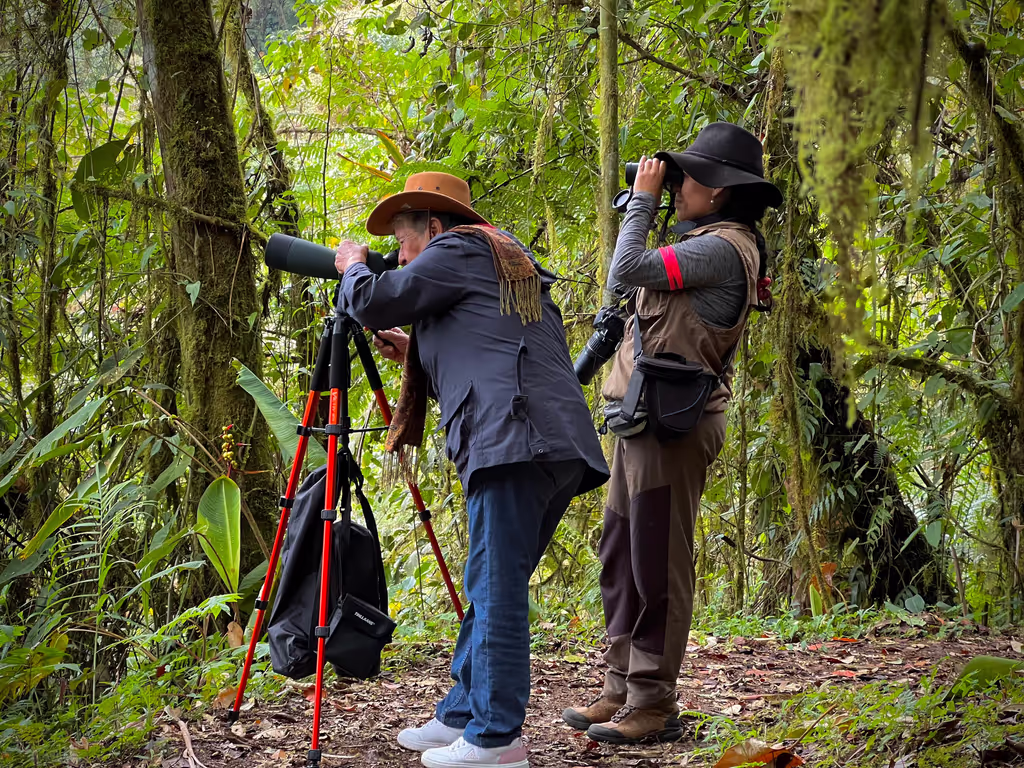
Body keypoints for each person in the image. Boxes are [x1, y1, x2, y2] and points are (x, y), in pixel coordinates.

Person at [334, 172, 609, 768]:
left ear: (433, 228)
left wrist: (353, 265)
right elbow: (490, 349)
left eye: (403, 249)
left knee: (495, 589)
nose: (401, 261)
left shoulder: (460, 246)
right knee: (489, 582)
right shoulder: (500, 260)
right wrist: (417, 351)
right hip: (545, 441)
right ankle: (462, 713)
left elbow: (377, 298)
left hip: (516, 439)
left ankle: (496, 738)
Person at [562, 122, 782, 744]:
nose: (677, 184)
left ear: (717, 191)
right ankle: (620, 687)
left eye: (686, 177)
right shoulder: (702, 241)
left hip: (675, 426)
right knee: (621, 553)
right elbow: (621, 283)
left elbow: (628, 261)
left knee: (656, 562)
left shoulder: (722, 249)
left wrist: (644, 201)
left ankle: (653, 702)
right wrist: (649, 207)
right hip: (644, 419)